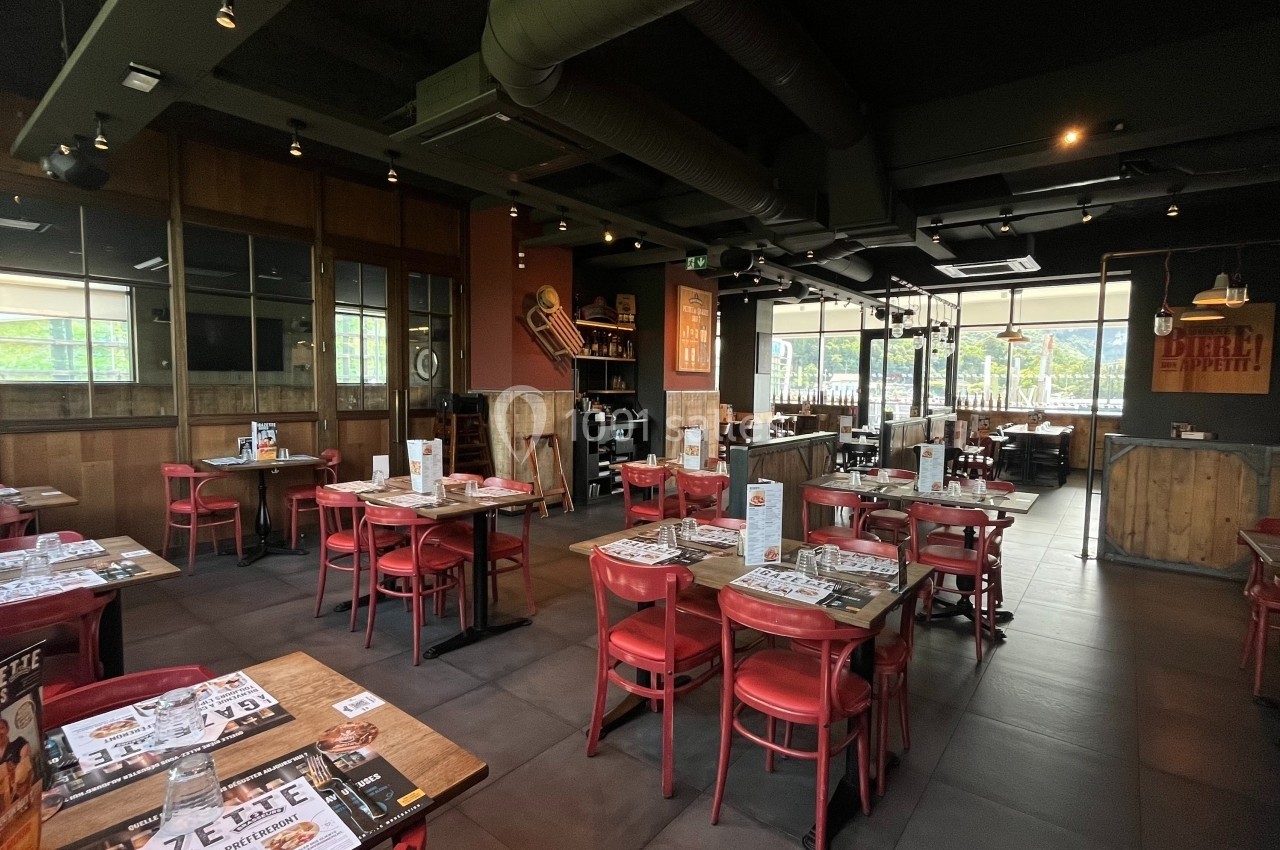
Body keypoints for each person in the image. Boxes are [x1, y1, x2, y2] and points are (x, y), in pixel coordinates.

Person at [0, 717, 33, 802]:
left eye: (1, 728)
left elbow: (25, 763)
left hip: (24, 795)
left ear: (7, 729)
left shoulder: (19, 743)